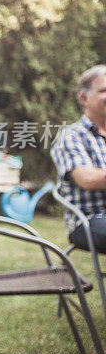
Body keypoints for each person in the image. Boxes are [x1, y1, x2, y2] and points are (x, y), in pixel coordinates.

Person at [50, 65, 106, 254]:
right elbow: (86, 179)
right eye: (103, 90)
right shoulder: (71, 136)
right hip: (90, 219)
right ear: (84, 98)